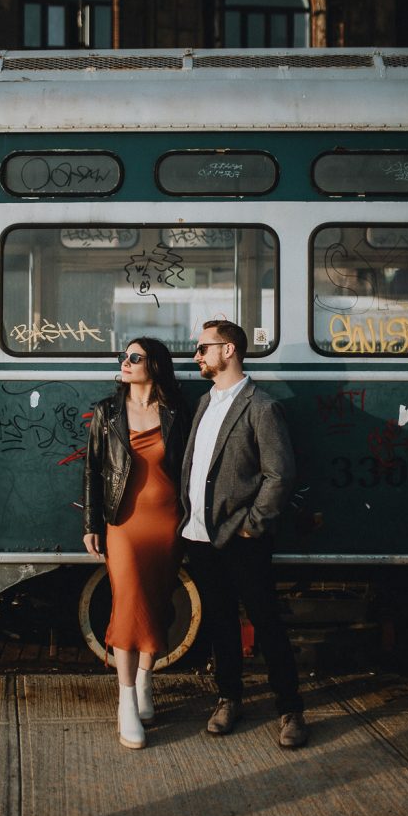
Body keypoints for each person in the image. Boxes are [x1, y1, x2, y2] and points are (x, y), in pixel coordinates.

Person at [180, 319, 307, 747]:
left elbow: (280, 474)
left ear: (228, 350)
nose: (196, 356)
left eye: (203, 348)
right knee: (219, 622)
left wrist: (254, 526)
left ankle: (290, 709)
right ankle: (229, 698)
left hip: (241, 537)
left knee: (266, 622)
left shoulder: (261, 407)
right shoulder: (205, 403)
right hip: (200, 534)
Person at [83, 337, 189, 750]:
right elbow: (93, 469)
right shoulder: (107, 412)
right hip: (122, 524)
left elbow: (190, 467)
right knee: (129, 607)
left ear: (155, 366)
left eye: (135, 357)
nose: (125, 363)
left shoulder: (177, 411)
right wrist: (91, 522)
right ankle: (126, 701)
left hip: (167, 524)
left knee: (158, 604)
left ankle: (145, 679)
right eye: (124, 357)